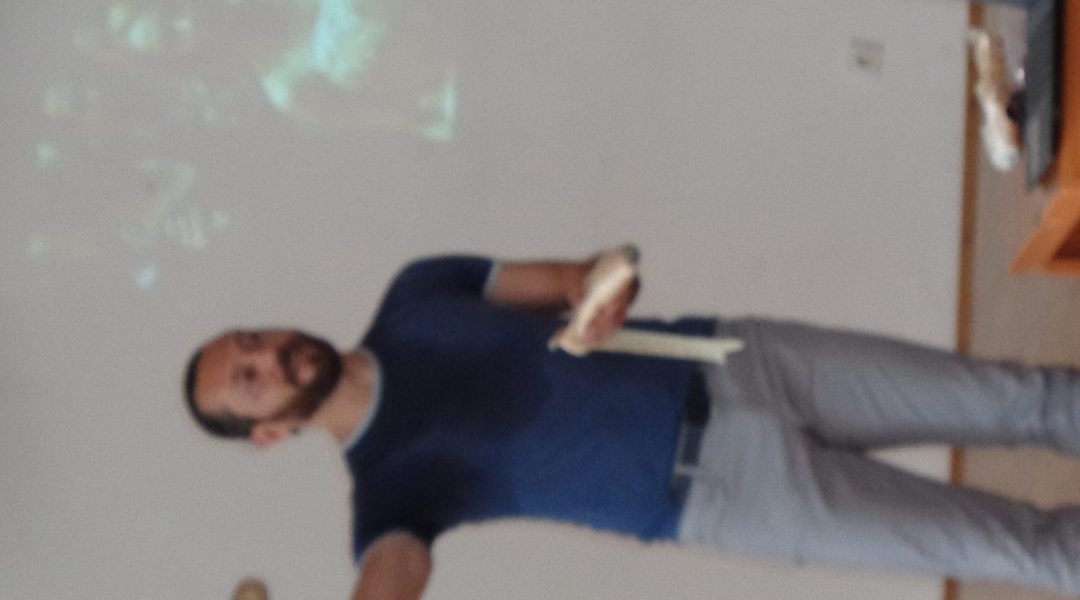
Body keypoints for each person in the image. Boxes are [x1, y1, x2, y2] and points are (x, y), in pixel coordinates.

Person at [183, 252, 1080, 599]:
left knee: (1026, 397)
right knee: (1020, 548)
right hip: (730, 497)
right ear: (269, 434)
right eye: (250, 382)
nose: (272, 359)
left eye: (253, 342)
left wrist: (601, 288)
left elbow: (581, 273)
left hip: (741, 359)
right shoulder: (387, 495)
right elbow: (394, 577)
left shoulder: (417, 292)